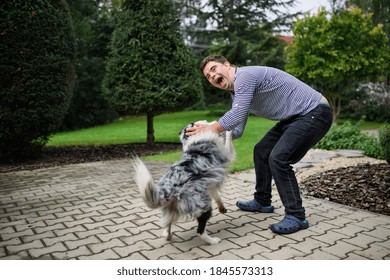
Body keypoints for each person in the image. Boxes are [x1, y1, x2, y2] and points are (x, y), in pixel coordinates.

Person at [186, 55, 333, 234]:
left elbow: (237, 114)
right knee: (261, 151)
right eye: (208, 76)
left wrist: (211, 129)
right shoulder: (238, 93)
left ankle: (296, 215)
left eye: (214, 69)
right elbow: (237, 129)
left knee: (279, 158)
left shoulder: (245, 76)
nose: (212, 76)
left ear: (227, 65)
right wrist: (209, 131)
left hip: (315, 112)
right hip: (295, 117)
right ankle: (262, 201)